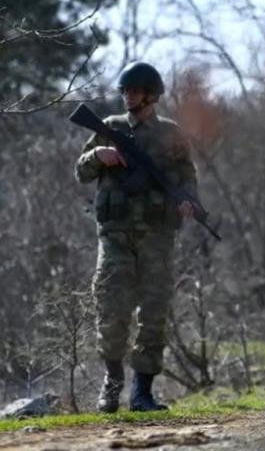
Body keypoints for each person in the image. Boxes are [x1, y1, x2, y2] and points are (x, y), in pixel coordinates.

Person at [75, 61, 198, 412]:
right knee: (111, 310)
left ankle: (142, 392)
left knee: (154, 313)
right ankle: (112, 385)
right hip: (115, 237)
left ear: (151, 95)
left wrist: (189, 201)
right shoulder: (109, 128)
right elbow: (81, 172)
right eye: (125, 91)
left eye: (135, 91)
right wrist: (98, 155)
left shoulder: (172, 134)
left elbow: (188, 176)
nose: (128, 96)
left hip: (158, 237)